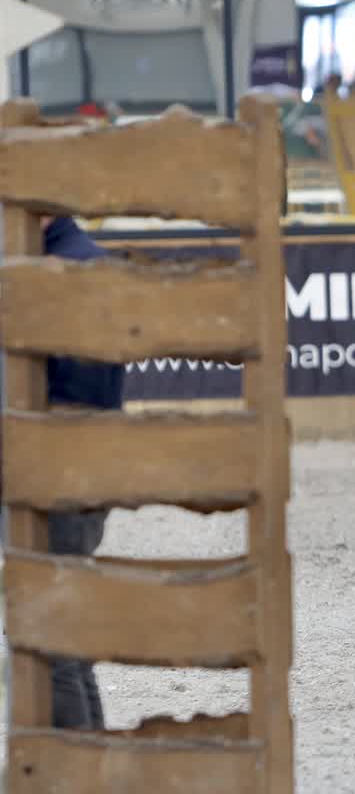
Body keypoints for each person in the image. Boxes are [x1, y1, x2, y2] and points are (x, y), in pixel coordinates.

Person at [44, 216, 126, 728]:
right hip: (66, 471)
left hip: (64, 474)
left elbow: (83, 394)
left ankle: (70, 764)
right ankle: (89, 760)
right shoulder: (63, 262)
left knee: (52, 642)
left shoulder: (76, 268)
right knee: (65, 641)